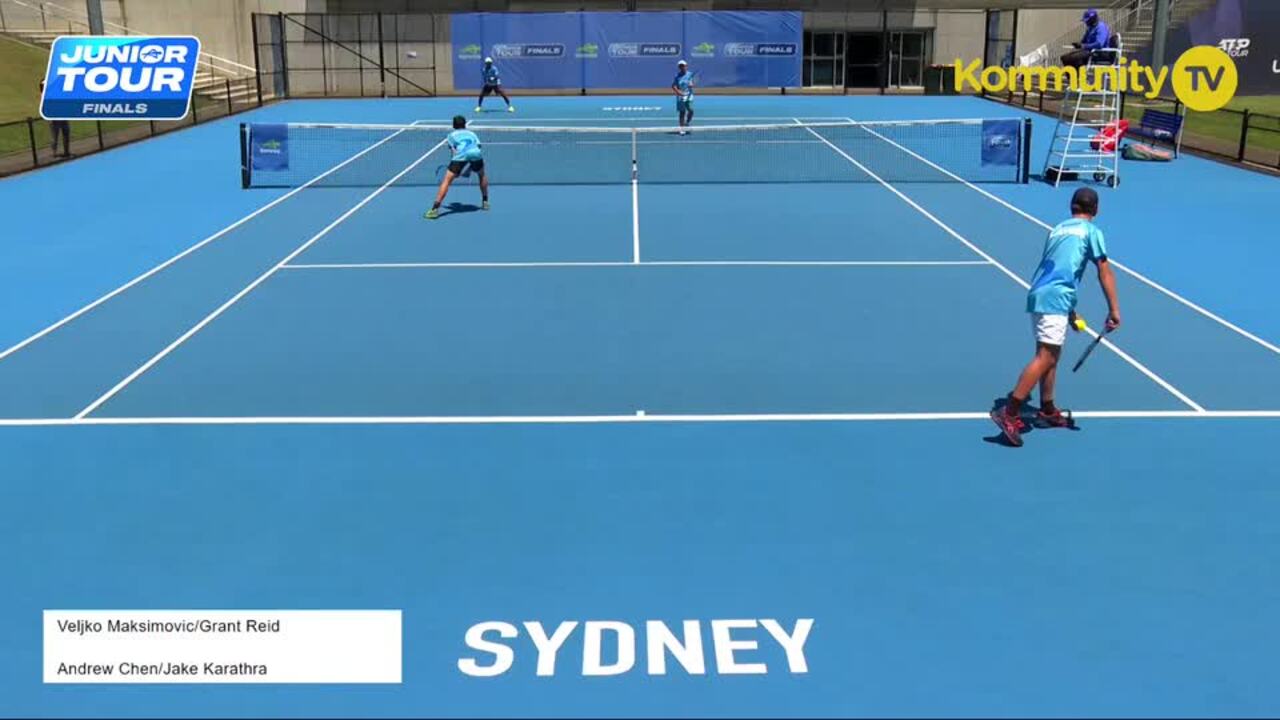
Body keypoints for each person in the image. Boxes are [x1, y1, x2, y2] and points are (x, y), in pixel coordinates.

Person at [990, 187, 1121, 447]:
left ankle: (1047, 409)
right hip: (1054, 298)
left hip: (1041, 294)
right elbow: (1104, 272)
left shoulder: (1058, 229)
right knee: (1046, 356)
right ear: (1095, 210)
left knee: (1052, 355)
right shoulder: (1091, 232)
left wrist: (1070, 311)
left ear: (1072, 207)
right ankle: (1010, 412)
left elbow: (1059, 269)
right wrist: (1114, 309)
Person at [426, 115, 488, 220]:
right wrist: (469, 167)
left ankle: (434, 209)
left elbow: (454, 152)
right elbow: (478, 147)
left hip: (460, 157)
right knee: (481, 175)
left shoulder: (451, 135)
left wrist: (455, 169)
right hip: (476, 154)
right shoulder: (472, 133)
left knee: (446, 181)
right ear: (465, 124)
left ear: (454, 125)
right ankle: (485, 202)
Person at [39, 79, 71, 158]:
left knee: (66, 133)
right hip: (54, 118)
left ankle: (66, 152)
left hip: (63, 116)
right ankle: (54, 154)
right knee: (54, 137)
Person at [672, 60, 695, 135]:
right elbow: (674, 86)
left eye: (683, 65)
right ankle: (682, 128)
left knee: (691, 110)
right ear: (679, 67)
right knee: (682, 112)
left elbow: (692, 82)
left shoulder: (690, 74)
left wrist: (691, 84)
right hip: (680, 95)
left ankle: (687, 123)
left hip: (689, 95)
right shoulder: (677, 76)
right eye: (680, 66)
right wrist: (678, 92)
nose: (682, 67)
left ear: (686, 66)